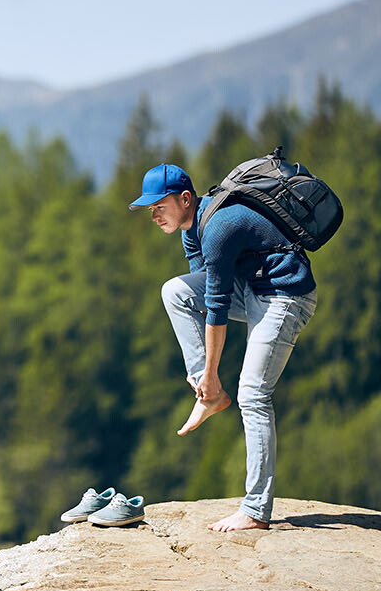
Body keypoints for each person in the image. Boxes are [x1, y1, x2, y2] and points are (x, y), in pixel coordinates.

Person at [130, 163, 318, 532]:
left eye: (159, 206)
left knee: (253, 394)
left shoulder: (216, 227)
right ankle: (207, 394)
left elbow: (216, 310)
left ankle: (255, 510)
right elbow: (206, 291)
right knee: (176, 291)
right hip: (252, 290)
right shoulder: (191, 228)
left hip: (285, 296)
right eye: (149, 209)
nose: (154, 215)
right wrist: (208, 376)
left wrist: (216, 371)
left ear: (186, 199)